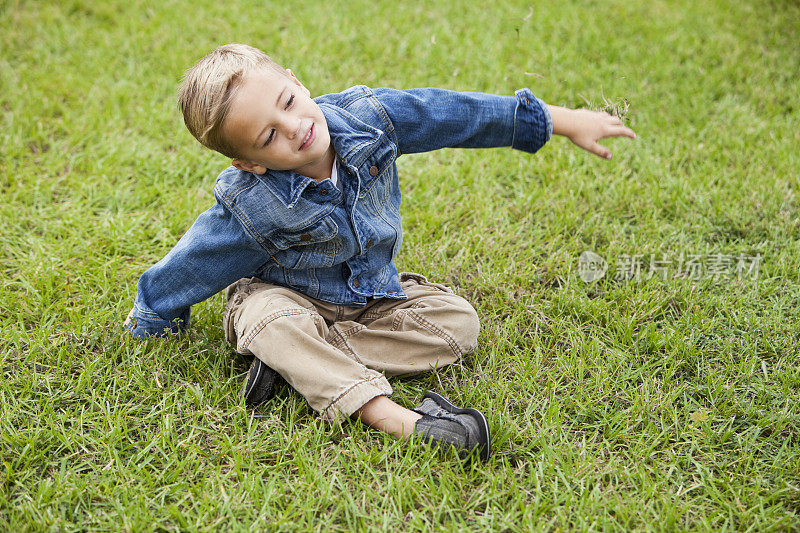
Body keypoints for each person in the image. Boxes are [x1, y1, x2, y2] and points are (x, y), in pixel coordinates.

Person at [124, 43, 636, 462]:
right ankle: (396, 419)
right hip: (286, 301)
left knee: (458, 325)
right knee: (269, 322)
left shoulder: (372, 120)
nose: (295, 127)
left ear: (297, 82)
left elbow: (454, 115)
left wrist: (561, 120)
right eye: (269, 136)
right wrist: (153, 316)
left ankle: (298, 365)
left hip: (370, 299)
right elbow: (193, 262)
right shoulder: (251, 203)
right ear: (249, 162)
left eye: (287, 103)